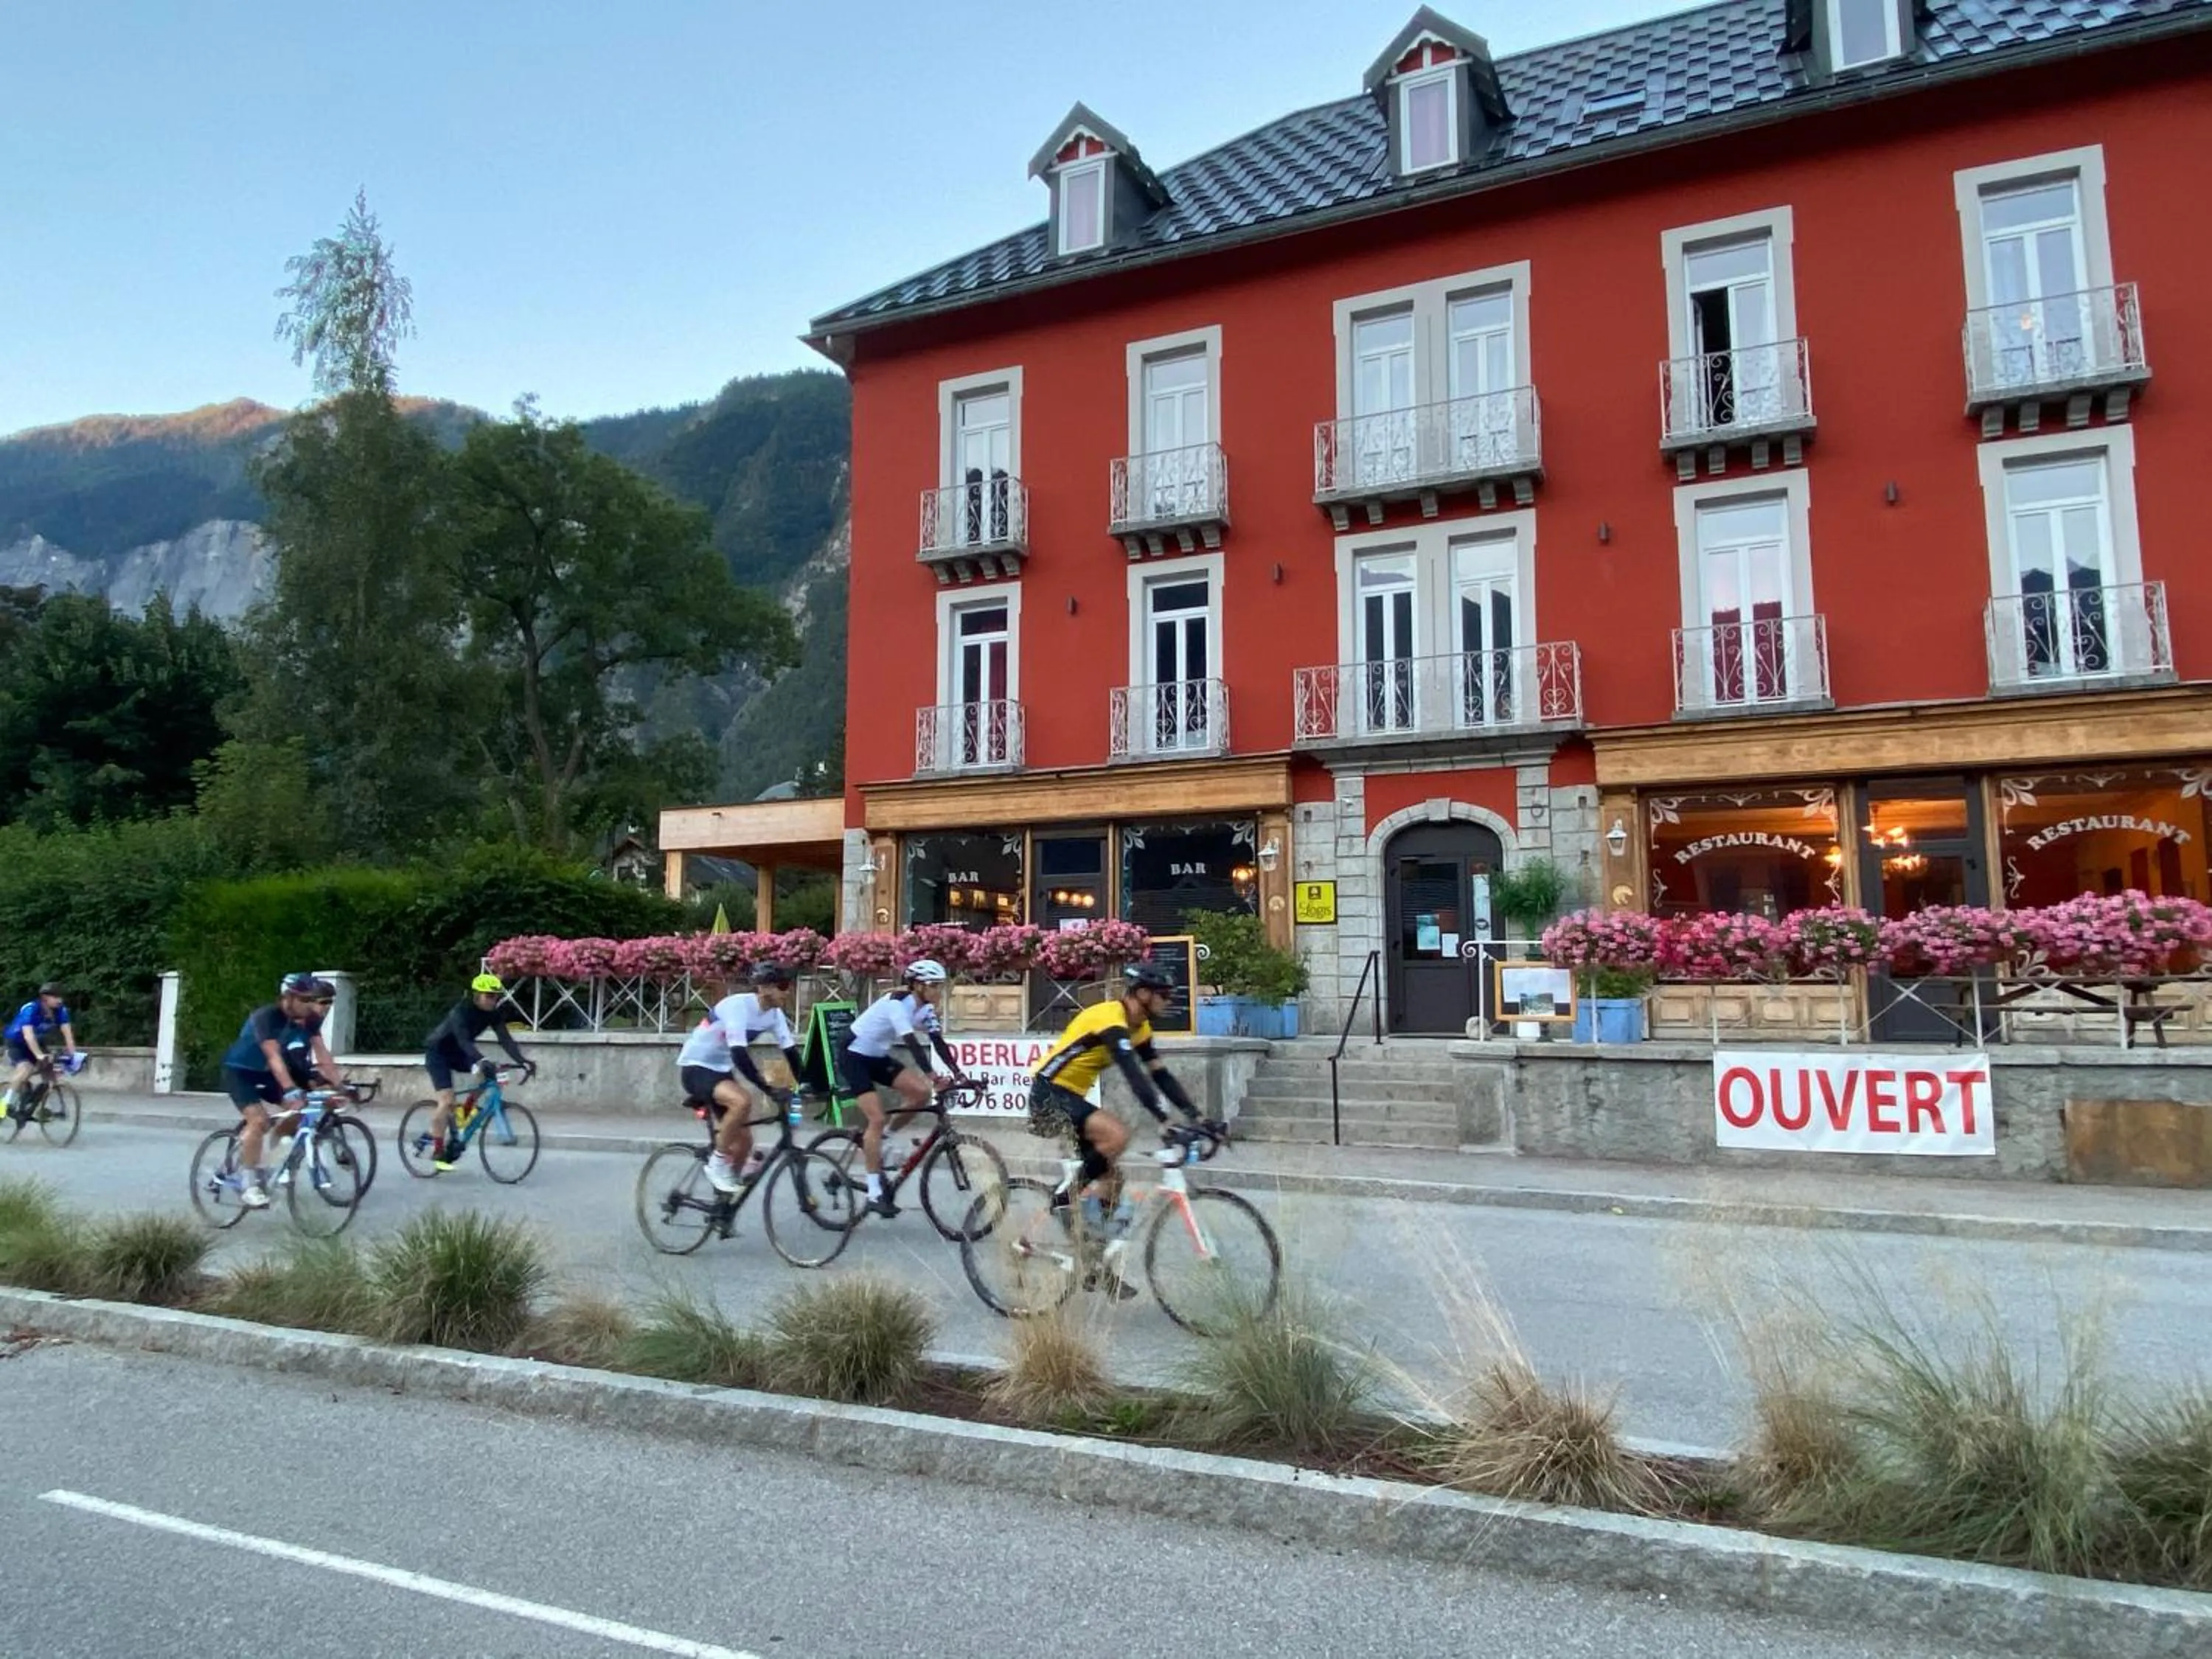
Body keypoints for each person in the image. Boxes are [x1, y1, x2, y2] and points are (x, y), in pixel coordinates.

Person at [1028, 962, 1204, 1283]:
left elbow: (1159, 1075)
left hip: (1072, 1097)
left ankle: (1093, 1255)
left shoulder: (1141, 1029)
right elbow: (1132, 1073)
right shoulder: (1110, 1017)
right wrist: (1163, 1120)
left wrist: (1198, 1117)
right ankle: (1063, 1200)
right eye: (1164, 995)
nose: (1168, 1001)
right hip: (1048, 1094)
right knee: (1118, 1136)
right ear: (1144, 994)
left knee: (1114, 1179)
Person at [838, 958, 961, 1217]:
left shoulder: (926, 1009)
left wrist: (959, 1074)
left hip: (877, 1056)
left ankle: (884, 1141)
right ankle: (874, 1192)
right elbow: (912, 1043)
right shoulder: (897, 1003)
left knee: (920, 1093)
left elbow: (938, 1042)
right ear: (917, 985)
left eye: (941, 986)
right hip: (853, 1055)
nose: (940, 992)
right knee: (877, 1118)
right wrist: (931, 1074)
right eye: (934, 986)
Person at [675, 961, 805, 1194]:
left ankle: (723, 1202)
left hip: (720, 1070)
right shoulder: (737, 1007)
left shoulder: (774, 1015)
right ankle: (716, 1164)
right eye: (783, 986)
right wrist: (769, 1089)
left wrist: (808, 1085)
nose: (788, 991)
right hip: (696, 1066)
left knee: (745, 1143)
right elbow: (739, 1055)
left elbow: (791, 1054)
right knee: (741, 1101)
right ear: (764, 988)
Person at [219, 975, 341, 1208]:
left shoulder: (310, 1020)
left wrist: (340, 1085)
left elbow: (322, 1054)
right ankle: (249, 1184)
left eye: (313, 1000)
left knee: (301, 1112)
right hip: (241, 1072)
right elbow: (274, 1057)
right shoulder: (266, 1017)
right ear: (288, 998)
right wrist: (290, 1089)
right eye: (306, 1000)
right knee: (259, 1122)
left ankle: (268, 1159)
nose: (311, 1006)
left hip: (267, 1075)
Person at [424, 973, 534, 1170]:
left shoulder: (493, 1013)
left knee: (488, 1075)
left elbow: (505, 1039)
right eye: (489, 996)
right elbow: (463, 1039)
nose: (494, 1000)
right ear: (477, 996)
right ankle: (438, 1150)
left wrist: (523, 1061)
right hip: (438, 1052)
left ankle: (464, 1115)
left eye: (496, 996)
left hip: (460, 1052)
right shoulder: (461, 1011)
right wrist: (481, 1059)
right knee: (447, 1101)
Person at [2, 983, 81, 1119]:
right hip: (17, 1042)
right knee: (25, 1068)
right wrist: (39, 1055)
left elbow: (68, 1035)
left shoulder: (61, 1011)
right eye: (56, 997)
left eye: (61, 997)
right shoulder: (31, 1009)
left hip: (37, 1042)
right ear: (45, 997)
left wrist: (73, 1055)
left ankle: (51, 1108)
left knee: (51, 1072)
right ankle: (4, 1104)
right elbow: (28, 1035)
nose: (60, 1000)